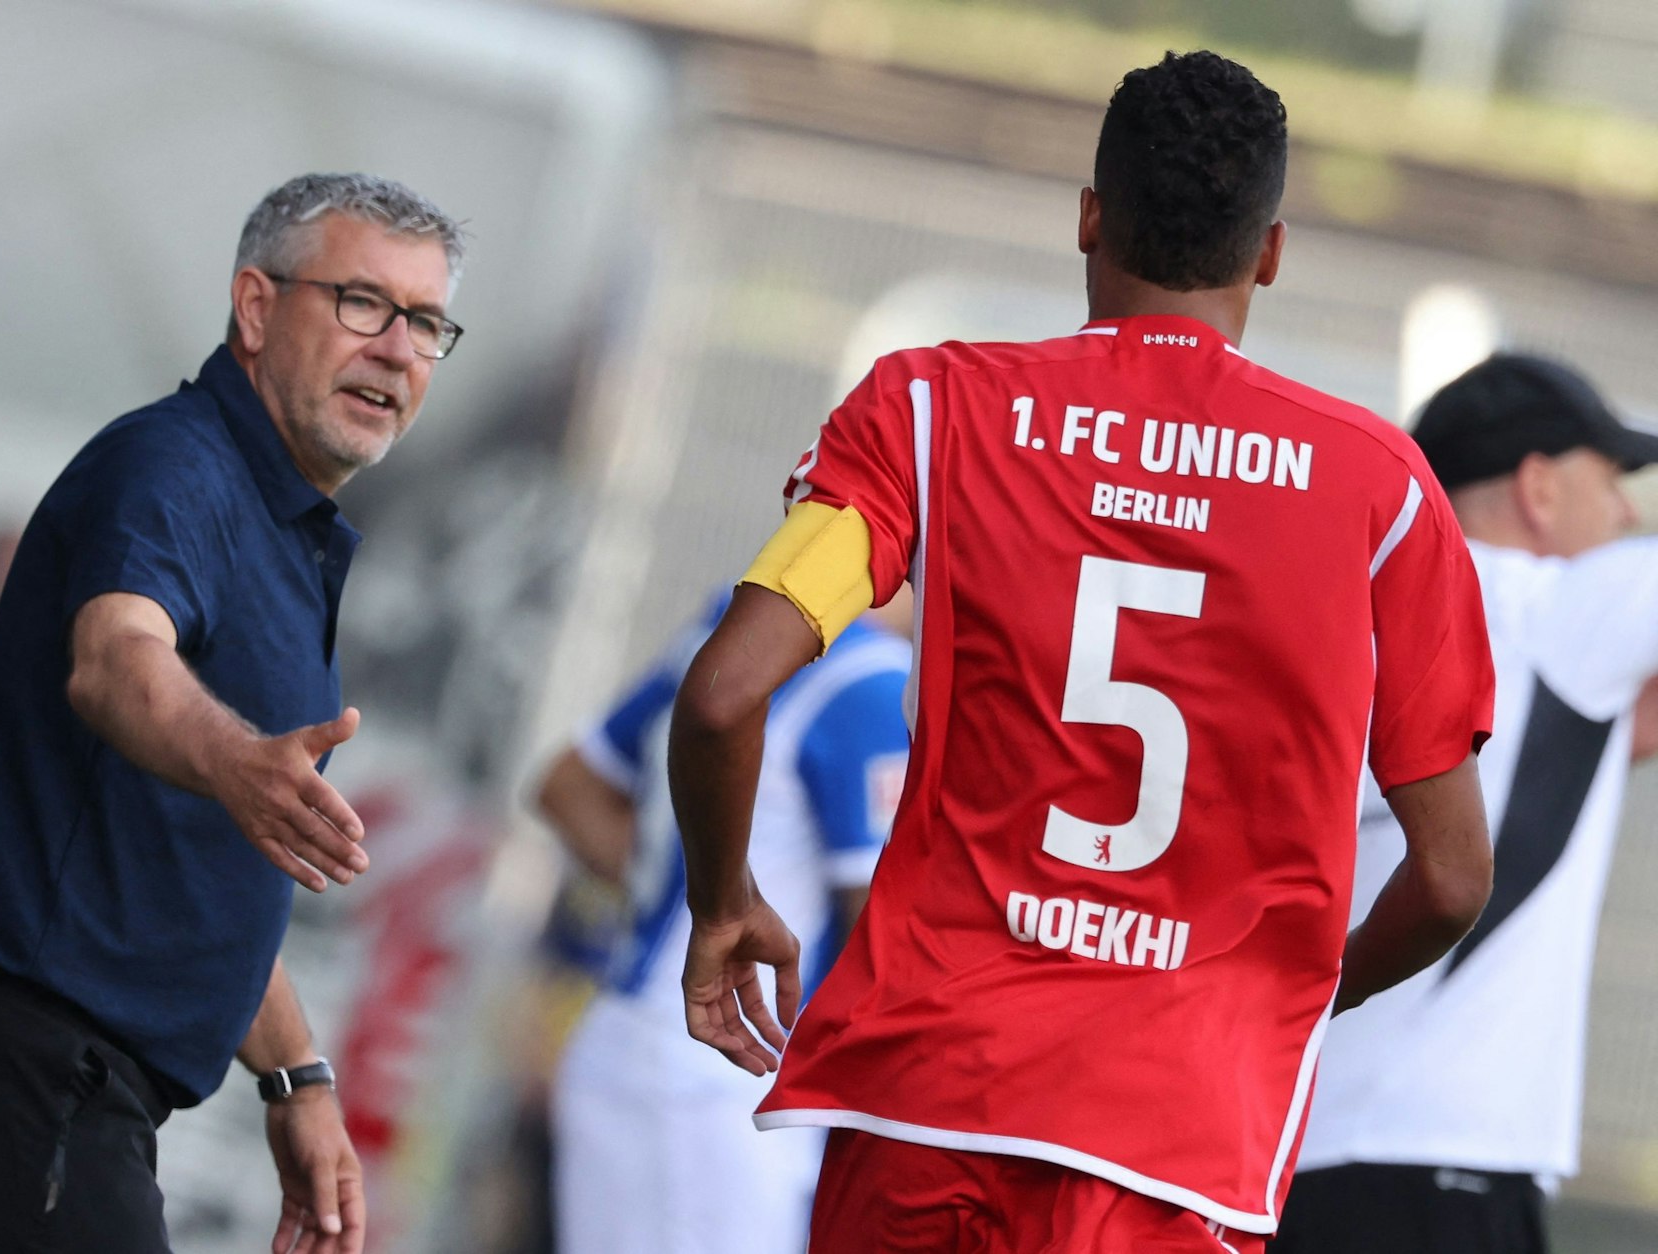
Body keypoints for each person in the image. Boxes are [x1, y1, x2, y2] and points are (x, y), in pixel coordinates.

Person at [667, 50, 1498, 1254]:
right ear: (1266, 252)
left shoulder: (925, 408)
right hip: (1179, 1133)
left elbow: (722, 694)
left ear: (1087, 219)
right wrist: (1298, 995)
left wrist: (722, 900)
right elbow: (1452, 878)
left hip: (924, 1094)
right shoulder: (1382, 492)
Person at [0, 172, 467, 1254]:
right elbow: (114, 660)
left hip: (58, 1085)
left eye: (425, 322)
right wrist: (236, 765)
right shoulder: (174, 468)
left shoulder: (287, 529)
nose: (397, 348)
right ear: (257, 307)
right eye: (362, 303)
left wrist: (298, 1079)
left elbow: (200, 858)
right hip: (11, 1061)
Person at [1274, 354, 1658, 1254]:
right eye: (1610, 483)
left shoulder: (1344, 599)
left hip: (1277, 1150)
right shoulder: (1553, 608)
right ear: (1538, 487)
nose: (1628, 515)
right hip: (1440, 1171)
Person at [533, 590, 912, 1254]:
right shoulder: (872, 680)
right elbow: (884, 944)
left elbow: (569, 788)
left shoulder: (730, 628)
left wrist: (690, 899)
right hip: (734, 1082)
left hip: (636, 1038)